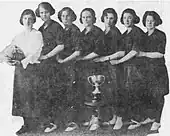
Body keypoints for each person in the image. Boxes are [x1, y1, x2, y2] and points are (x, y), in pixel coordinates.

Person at [1, 9, 44, 135]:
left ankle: (35, 125)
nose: (28, 21)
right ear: (21, 20)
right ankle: (26, 124)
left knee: (32, 96)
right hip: (20, 71)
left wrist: (23, 61)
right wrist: (7, 59)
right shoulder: (18, 36)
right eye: (25, 18)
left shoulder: (37, 34)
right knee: (22, 96)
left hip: (32, 69)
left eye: (30, 18)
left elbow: (36, 52)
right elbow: (9, 49)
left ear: (34, 20)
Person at [110, 8, 146, 130]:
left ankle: (135, 120)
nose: (126, 20)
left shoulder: (137, 32)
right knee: (121, 91)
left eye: (129, 17)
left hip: (135, 68)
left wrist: (119, 61)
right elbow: (121, 51)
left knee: (132, 92)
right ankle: (120, 118)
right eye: (124, 18)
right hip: (125, 68)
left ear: (134, 18)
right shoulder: (124, 33)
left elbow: (134, 52)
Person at [35, 2, 64, 133]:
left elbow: (61, 46)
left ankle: (54, 123)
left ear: (51, 12)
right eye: (41, 13)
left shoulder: (57, 26)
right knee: (44, 93)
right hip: (43, 66)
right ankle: (47, 121)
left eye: (46, 12)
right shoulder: (41, 29)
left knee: (52, 92)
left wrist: (47, 56)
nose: (44, 15)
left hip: (53, 65)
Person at [138, 11, 169, 133]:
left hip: (158, 70)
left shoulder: (160, 35)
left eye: (151, 20)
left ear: (156, 21)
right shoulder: (144, 36)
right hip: (147, 70)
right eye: (147, 21)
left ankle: (157, 121)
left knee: (158, 96)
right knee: (149, 95)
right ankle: (151, 117)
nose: (149, 23)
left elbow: (160, 53)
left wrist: (144, 54)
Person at [93, 8, 124, 130]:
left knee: (117, 91)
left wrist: (105, 58)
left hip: (114, 66)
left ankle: (120, 119)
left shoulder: (115, 32)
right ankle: (114, 117)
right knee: (110, 92)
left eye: (111, 18)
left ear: (115, 19)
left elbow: (121, 52)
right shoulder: (104, 32)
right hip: (106, 66)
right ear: (103, 18)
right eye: (107, 18)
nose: (109, 21)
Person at [75, 8, 106, 131]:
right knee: (87, 92)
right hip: (84, 68)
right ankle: (90, 118)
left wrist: (82, 59)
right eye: (83, 17)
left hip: (95, 66)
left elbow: (98, 51)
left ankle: (97, 120)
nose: (86, 19)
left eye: (88, 17)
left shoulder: (98, 32)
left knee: (96, 93)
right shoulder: (82, 33)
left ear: (93, 18)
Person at [57, 7, 81, 132]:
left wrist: (63, 61)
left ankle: (73, 122)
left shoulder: (75, 30)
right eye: (63, 16)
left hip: (72, 66)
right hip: (64, 67)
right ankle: (65, 121)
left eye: (67, 16)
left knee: (71, 93)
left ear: (72, 17)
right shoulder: (63, 30)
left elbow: (77, 52)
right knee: (65, 93)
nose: (65, 18)